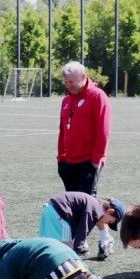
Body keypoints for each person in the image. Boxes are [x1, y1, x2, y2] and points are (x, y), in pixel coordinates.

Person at [56, 61, 112, 196]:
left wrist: (96, 159)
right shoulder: (66, 100)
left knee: (86, 202)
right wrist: (61, 158)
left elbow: (103, 129)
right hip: (68, 161)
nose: (69, 86)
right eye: (66, 82)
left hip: (88, 161)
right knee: (72, 201)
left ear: (83, 76)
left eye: (71, 81)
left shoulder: (97, 96)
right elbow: (63, 130)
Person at [38, 192, 124, 260]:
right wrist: (76, 252)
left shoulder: (95, 204)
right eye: (110, 221)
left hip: (50, 208)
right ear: (110, 211)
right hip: (59, 213)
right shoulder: (95, 211)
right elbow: (82, 231)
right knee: (67, 248)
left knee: (50, 243)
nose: (106, 223)